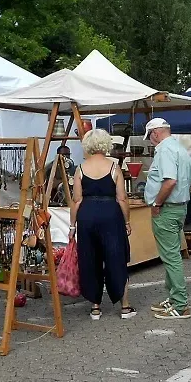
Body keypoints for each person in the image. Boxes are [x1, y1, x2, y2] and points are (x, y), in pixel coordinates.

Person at [70, 129, 134, 320]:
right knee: (117, 257)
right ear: (106, 144)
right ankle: (125, 306)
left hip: (87, 215)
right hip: (110, 214)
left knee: (90, 259)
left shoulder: (80, 169)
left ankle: (95, 306)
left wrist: (72, 225)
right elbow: (122, 198)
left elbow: (76, 200)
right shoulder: (114, 168)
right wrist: (127, 221)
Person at [144, 118, 191, 319]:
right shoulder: (179, 148)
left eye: (150, 137)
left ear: (156, 133)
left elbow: (170, 181)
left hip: (167, 208)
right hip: (179, 206)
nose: (151, 141)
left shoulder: (164, 150)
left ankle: (180, 303)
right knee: (170, 255)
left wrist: (156, 204)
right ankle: (174, 297)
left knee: (171, 256)